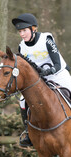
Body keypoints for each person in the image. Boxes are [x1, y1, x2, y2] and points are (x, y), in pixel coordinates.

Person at [12, 13, 71, 147]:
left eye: (24, 30)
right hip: (40, 80)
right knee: (22, 100)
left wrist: (49, 71)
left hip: (58, 74)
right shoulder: (22, 46)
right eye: (20, 31)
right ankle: (28, 132)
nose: (22, 34)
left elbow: (56, 63)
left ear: (34, 29)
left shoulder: (46, 39)